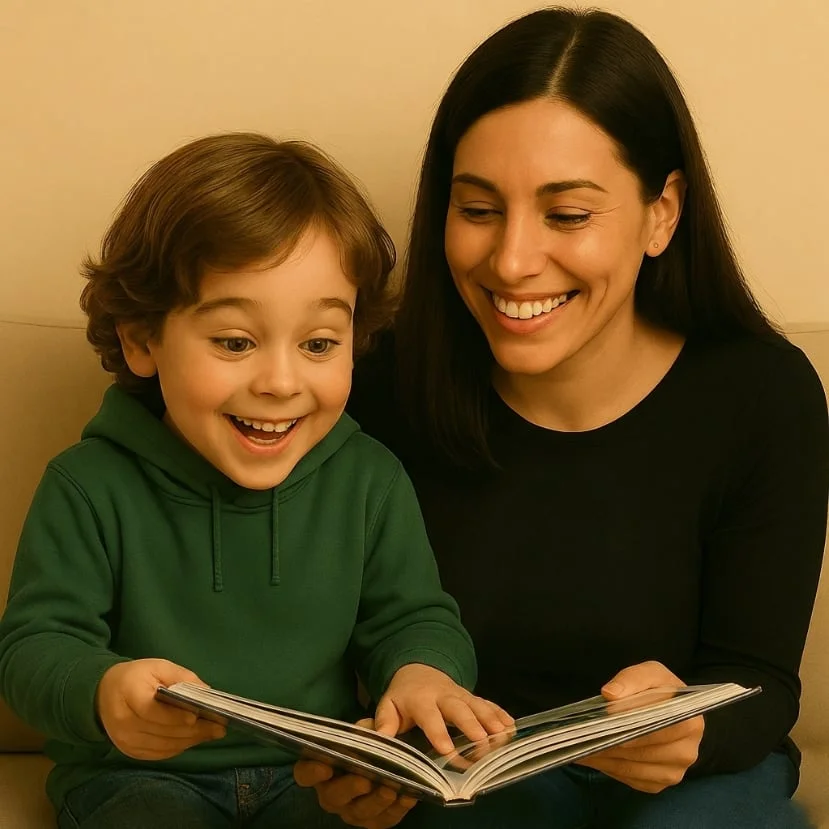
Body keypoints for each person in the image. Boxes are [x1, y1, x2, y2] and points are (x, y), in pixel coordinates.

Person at [294, 7, 829, 829]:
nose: (511, 261)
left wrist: (691, 727)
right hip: (476, 789)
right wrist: (362, 765)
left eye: (568, 214)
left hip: (693, 790)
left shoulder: (761, 393)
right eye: (477, 209)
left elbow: (760, 679)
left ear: (662, 211)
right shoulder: (375, 383)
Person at [0, 133, 512, 829]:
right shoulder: (88, 485)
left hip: (312, 778)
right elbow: (33, 647)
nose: (280, 381)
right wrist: (104, 691)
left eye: (319, 344)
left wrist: (422, 672)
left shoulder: (369, 479)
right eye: (235, 342)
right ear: (142, 340)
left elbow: (413, 618)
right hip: (138, 781)